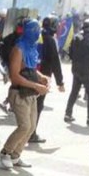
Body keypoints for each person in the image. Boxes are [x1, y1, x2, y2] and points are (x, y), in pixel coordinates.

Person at [0, 19, 50, 169]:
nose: (38, 33)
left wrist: (41, 77)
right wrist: (36, 85)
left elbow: (30, 69)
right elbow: (15, 76)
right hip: (19, 93)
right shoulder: (18, 49)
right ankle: (6, 152)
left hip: (31, 93)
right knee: (24, 126)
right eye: (35, 31)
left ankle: (16, 156)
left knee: (31, 126)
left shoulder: (32, 48)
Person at [29, 15, 64, 144]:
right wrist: (60, 82)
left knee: (29, 104)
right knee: (38, 105)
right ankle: (31, 133)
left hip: (29, 74)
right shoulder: (49, 40)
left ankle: (27, 130)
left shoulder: (35, 36)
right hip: (43, 78)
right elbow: (55, 62)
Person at [65, 18, 89, 125]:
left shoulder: (76, 38)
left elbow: (70, 53)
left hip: (75, 69)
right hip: (87, 71)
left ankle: (68, 114)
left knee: (74, 92)